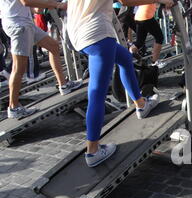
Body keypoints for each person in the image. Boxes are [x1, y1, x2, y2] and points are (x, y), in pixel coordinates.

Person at [66, 0, 174, 168]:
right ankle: (93, 150)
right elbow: (125, 1)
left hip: (78, 33)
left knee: (125, 59)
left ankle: (141, 104)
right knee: (97, 93)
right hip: (97, 34)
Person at [1, 0, 82, 120]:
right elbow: (26, 2)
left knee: (53, 46)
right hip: (19, 25)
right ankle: (13, 108)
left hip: (25, 22)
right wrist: (57, 5)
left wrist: (40, 6)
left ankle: (64, 86)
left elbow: (32, 7)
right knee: (18, 68)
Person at [129, 4, 166, 68]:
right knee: (159, 38)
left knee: (139, 43)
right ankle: (154, 62)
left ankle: (127, 58)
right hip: (146, 17)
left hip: (139, 17)